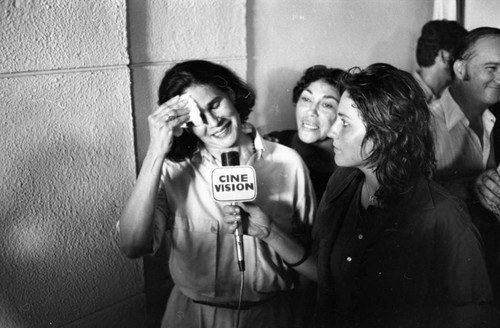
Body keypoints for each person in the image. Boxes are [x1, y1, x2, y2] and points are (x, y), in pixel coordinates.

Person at [226, 63, 498, 327]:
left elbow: (474, 313)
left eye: (344, 122)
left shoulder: (443, 215)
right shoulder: (343, 181)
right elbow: (326, 275)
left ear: (385, 135)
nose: (332, 130)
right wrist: (269, 231)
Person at [118, 60, 316, 328]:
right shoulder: (174, 169)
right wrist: (156, 151)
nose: (213, 122)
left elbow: (311, 256)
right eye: (197, 116)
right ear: (185, 124)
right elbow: (132, 246)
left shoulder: (288, 162)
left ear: (233, 96)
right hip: (192, 316)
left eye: (215, 104)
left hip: (272, 314)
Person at [430, 27, 500, 312]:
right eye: (492, 68)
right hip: (440, 281)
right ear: (460, 68)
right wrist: (472, 188)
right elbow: (403, 204)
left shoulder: (491, 120)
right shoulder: (424, 123)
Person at [266, 65, 345, 200]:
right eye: (307, 99)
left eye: (327, 105)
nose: (311, 111)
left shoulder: (349, 167)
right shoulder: (272, 143)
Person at [414, 20, 466, 103]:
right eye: (462, 58)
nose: (465, 66)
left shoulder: (444, 99)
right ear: (445, 56)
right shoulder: (402, 96)